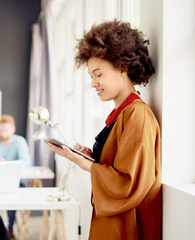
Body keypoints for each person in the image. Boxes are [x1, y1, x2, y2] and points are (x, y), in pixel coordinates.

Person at [47, 20, 161, 240]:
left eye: (99, 75)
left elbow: (128, 183)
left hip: (127, 227)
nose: (93, 83)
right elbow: (117, 167)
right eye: (91, 76)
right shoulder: (121, 114)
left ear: (123, 67)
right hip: (114, 222)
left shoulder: (138, 115)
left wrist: (84, 163)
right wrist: (92, 158)